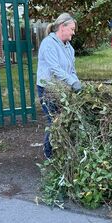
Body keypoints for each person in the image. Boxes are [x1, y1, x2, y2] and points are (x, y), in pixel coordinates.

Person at [36, 12, 82, 159]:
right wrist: (72, 81)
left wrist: (76, 81)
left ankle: (62, 150)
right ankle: (49, 153)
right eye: (72, 29)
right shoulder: (48, 44)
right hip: (48, 88)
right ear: (62, 27)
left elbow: (71, 69)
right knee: (54, 120)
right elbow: (55, 69)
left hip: (62, 88)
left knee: (65, 119)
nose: (73, 33)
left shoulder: (69, 47)